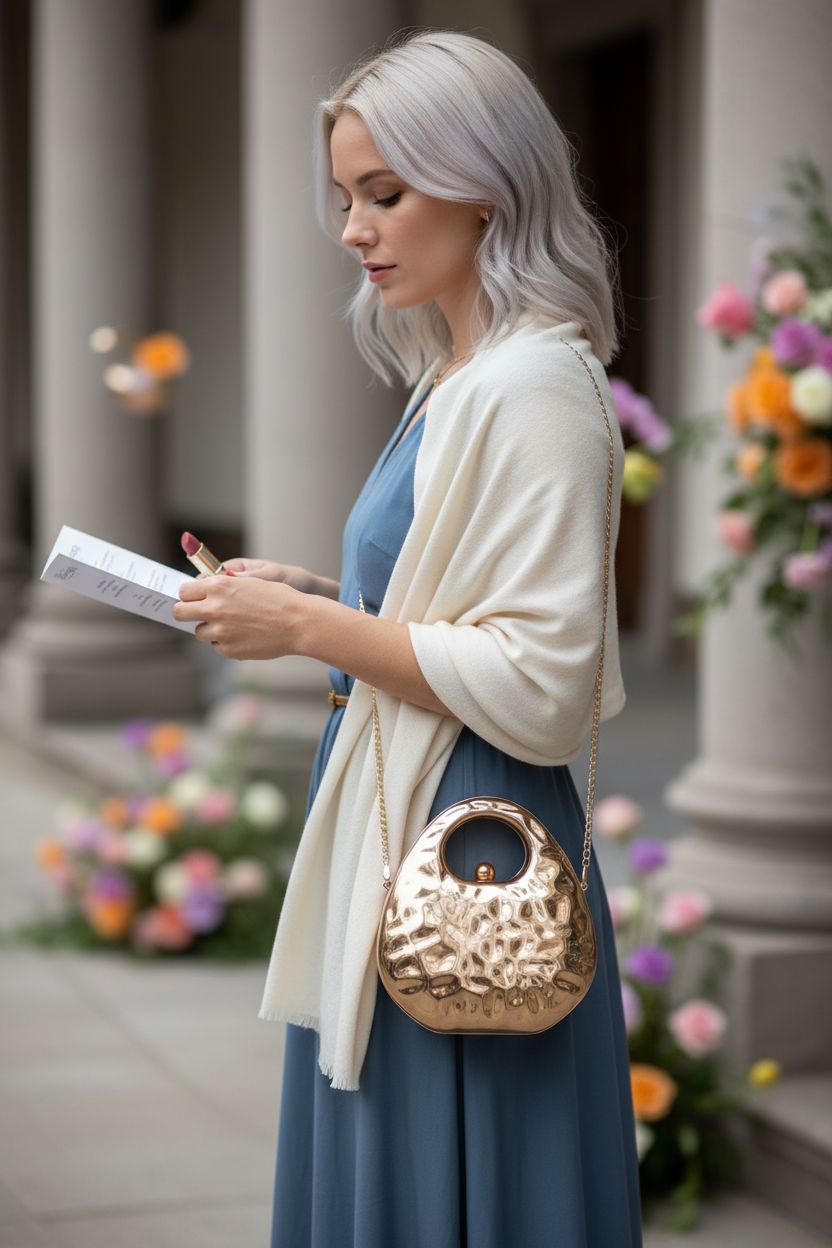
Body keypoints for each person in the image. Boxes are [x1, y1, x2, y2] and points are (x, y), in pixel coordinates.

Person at [174, 28, 643, 1248]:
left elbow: (541, 681)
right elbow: (452, 602)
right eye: (346, 198)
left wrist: (309, 625)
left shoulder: (531, 384)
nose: (353, 229)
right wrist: (317, 593)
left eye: (384, 193)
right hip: (405, 799)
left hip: (468, 841)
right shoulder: (459, 372)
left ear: (485, 184)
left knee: (442, 1173)